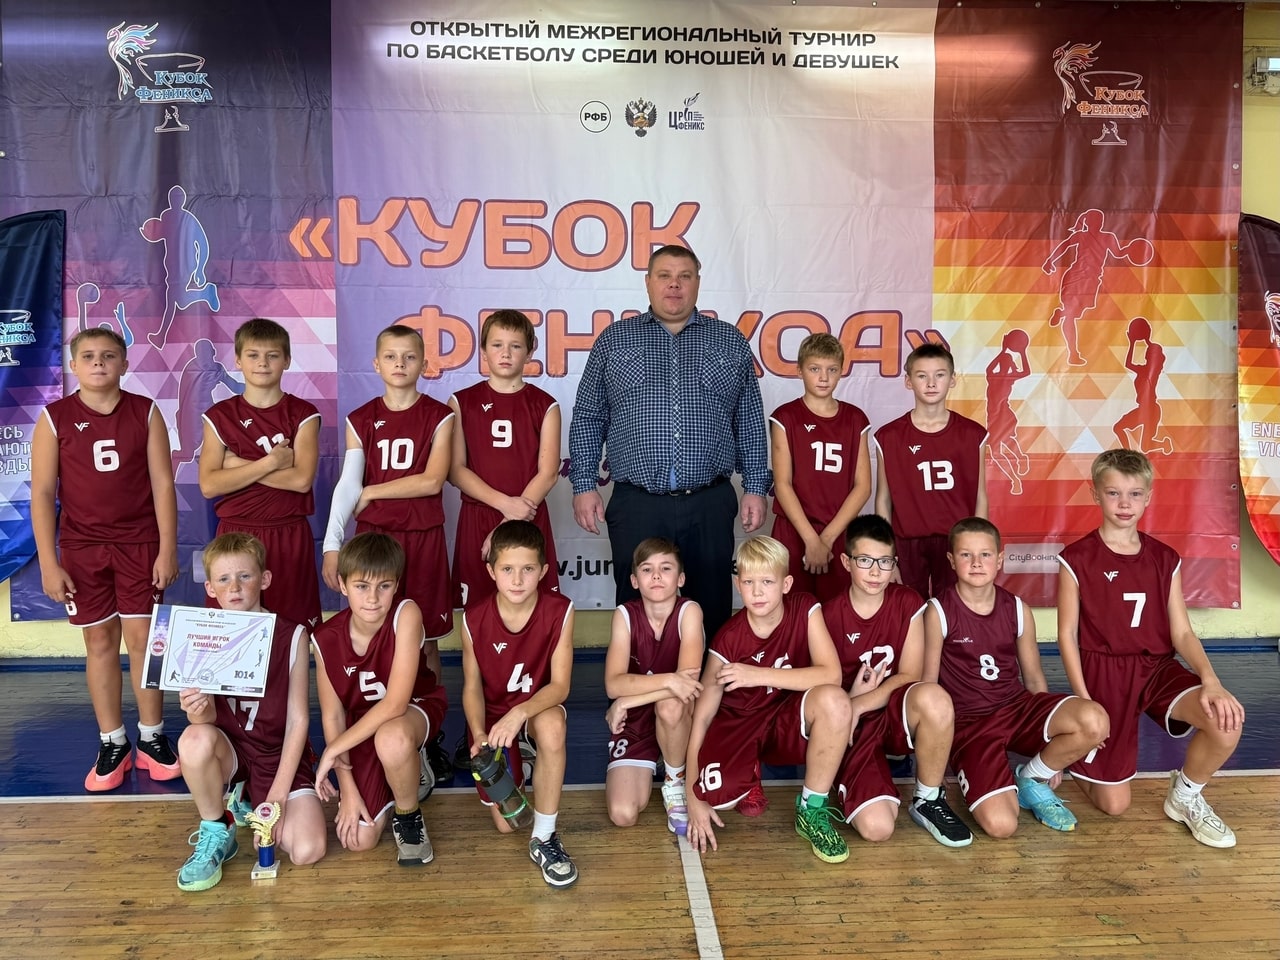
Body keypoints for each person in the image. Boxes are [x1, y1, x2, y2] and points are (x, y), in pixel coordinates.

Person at [568, 244, 769, 639]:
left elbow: (748, 420)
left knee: (710, 605)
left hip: (709, 502)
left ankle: (707, 681)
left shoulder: (729, 341)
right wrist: (583, 484)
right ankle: (638, 679)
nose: (674, 285)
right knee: (637, 606)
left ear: (697, 283)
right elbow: (589, 416)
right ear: (648, 282)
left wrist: (756, 487)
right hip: (637, 503)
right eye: (664, 276)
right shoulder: (615, 340)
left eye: (684, 276)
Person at [1057, 449, 1244, 847]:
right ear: (1095, 494)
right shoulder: (1076, 558)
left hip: (1156, 668)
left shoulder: (1164, 558)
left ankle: (1185, 795)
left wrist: (1211, 680)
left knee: (1225, 720)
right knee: (1114, 805)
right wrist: (1085, 700)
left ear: (1148, 497)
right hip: (1104, 672)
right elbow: (1067, 636)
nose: (1124, 503)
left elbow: (1183, 633)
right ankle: (1069, 752)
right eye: (1113, 493)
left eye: (1135, 494)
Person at [31, 327, 181, 792]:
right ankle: (112, 741)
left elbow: (162, 484)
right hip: (82, 548)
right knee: (99, 642)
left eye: (109, 355)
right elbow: (42, 493)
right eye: (89, 356)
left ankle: (152, 737)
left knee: (144, 641)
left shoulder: (145, 411)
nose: (99, 363)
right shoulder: (54, 418)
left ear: (124, 364)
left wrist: (167, 548)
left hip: (139, 544)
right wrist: (49, 562)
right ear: (73, 366)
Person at [923, 518, 1109, 838]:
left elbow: (1034, 679)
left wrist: (1050, 755)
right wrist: (932, 766)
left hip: (1016, 708)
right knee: (1002, 826)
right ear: (952, 560)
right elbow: (927, 689)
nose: (976, 563)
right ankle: (999, 780)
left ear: (1000, 559)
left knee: (1094, 721)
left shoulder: (1018, 608)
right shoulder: (938, 611)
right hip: (971, 725)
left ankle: (1032, 778)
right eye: (966, 555)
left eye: (985, 554)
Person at [684, 537, 853, 864]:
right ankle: (749, 771)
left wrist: (757, 674)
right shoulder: (728, 640)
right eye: (748, 582)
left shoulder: (805, 608)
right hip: (740, 726)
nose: (757, 592)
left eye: (767, 582)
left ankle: (811, 810)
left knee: (835, 701)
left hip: (784, 719)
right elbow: (701, 717)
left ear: (786, 584)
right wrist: (692, 795)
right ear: (738, 585)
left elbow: (831, 675)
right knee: (716, 798)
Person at [175, 533, 326, 891]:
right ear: (210, 588)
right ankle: (218, 827)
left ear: (264, 579)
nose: (235, 587)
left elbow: (298, 721)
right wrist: (195, 709)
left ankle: (250, 796)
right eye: (224, 579)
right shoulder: (201, 635)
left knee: (307, 850)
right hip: (233, 750)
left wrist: (277, 797)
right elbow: (205, 723)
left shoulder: (292, 635)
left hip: (277, 753)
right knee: (193, 739)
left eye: (245, 576)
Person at [821, 515, 972, 848]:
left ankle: (928, 798)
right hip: (852, 728)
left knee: (934, 697)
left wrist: (858, 703)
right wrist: (848, 704)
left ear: (894, 563)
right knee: (878, 828)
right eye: (865, 560)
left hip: (889, 713)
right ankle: (842, 773)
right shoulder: (828, 615)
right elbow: (821, 689)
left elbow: (911, 674)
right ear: (846, 562)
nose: (876, 571)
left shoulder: (908, 601)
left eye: (885, 561)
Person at [311, 533, 447, 866]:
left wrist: (332, 750)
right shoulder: (325, 638)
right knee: (360, 840)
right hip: (361, 724)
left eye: (383, 586)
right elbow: (333, 716)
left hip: (414, 708)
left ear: (396, 585)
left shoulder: (406, 613)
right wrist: (347, 788)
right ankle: (399, 771)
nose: (372, 598)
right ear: (343, 585)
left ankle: (408, 814)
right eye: (361, 586)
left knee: (392, 738)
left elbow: (395, 704)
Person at [323, 324, 454, 655]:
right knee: (372, 631)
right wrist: (331, 545)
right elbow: (349, 484)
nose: (400, 363)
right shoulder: (361, 419)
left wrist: (372, 492)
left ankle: (427, 692)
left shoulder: (440, 416)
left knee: (425, 640)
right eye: (391, 356)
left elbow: (432, 480)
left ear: (424, 365)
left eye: (409, 357)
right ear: (377, 364)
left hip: (423, 535)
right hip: (374, 537)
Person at [460, 520, 578, 887]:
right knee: (508, 824)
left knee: (553, 727)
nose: (517, 579)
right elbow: (472, 688)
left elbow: (560, 687)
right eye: (508, 569)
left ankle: (545, 836)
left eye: (528, 569)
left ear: (543, 571)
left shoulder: (561, 609)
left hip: (534, 709)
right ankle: (521, 762)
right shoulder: (473, 618)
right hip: (495, 718)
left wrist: (520, 713)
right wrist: (478, 732)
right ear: (491, 571)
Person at [199, 317, 322, 630]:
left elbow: (300, 480)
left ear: (287, 361)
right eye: (253, 355)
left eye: (272, 355)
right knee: (231, 630)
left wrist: (237, 465)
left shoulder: (303, 414)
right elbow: (209, 485)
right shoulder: (219, 416)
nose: (263, 363)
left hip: (287, 533)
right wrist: (270, 463)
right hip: (235, 535)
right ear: (238, 361)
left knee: (292, 630)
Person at [448, 309, 561, 609]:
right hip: (478, 514)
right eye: (497, 344)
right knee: (478, 609)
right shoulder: (461, 402)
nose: (506, 353)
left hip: (527, 514)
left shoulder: (545, 405)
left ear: (530, 351)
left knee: (533, 605)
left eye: (516, 345)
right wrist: (504, 504)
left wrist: (511, 516)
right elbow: (455, 469)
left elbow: (548, 473)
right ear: (483, 350)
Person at [603, 538, 704, 835]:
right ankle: (659, 756)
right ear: (635, 580)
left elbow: (687, 686)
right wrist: (669, 679)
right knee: (623, 814)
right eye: (647, 569)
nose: (656, 576)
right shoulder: (624, 615)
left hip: (677, 713)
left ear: (680, 578)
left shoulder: (690, 611)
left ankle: (674, 779)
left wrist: (626, 701)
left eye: (666, 568)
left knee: (670, 705)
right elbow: (613, 684)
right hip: (637, 720)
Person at [873, 342, 988, 599]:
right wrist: (886, 554)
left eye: (940, 375)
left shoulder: (973, 434)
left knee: (952, 609)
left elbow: (980, 495)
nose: (931, 383)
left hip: (956, 540)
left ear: (953, 379)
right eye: (922, 376)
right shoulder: (889, 436)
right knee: (908, 608)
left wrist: (978, 546)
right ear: (908, 381)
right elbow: (883, 499)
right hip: (907, 542)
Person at [769, 333, 871, 601]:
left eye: (831, 370)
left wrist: (825, 540)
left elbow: (863, 487)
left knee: (838, 607)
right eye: (815, 369)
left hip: (838, 529)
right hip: (794, 530)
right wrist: (811, 540)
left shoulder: (855, 419)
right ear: (799, 371)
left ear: (841, 371)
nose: (824, 377)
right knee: (790, 606)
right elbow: (782, 484)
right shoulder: (785, 417)